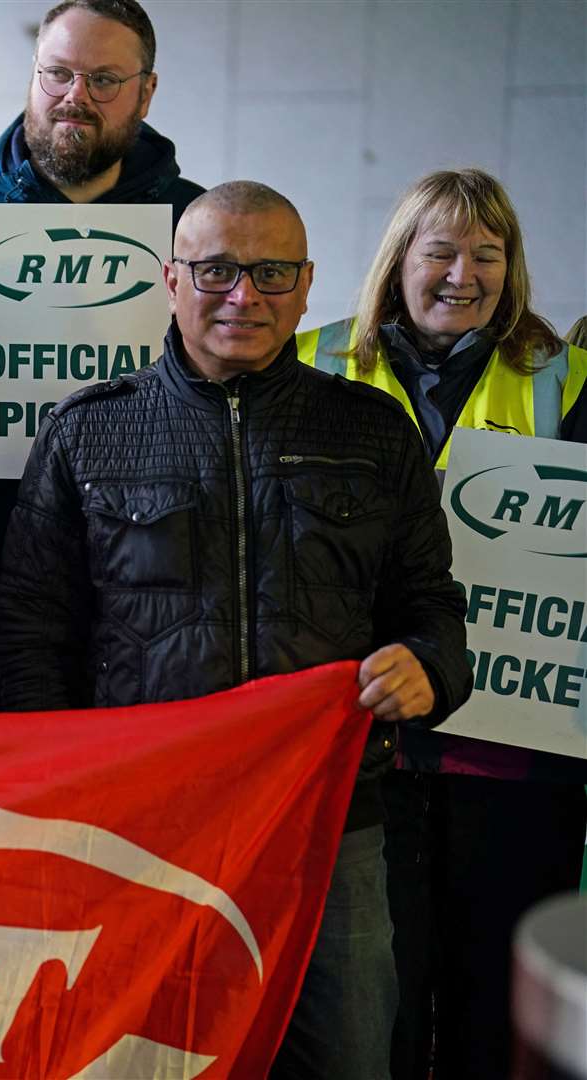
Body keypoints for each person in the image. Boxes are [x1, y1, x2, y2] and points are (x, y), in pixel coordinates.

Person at [0, 181, 472, 1080]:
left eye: (270, 272)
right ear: (171, 280)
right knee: (142, 1062)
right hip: (142, 833)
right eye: (216, 270)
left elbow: (433, 607)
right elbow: (31, 633)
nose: (243, 296)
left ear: (305, 285)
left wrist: (430, 668)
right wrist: (66, 802)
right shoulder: (88, 433)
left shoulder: (371, 434)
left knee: (351, 1058)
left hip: (332, 830)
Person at [295, 168, 587, 1080]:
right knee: (367, 1013)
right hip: (357, 755)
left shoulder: (567, 376)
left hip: (514, 763)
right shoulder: (307, 358)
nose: (464, 273)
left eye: (487, 254)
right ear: (400, 260)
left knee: (489, 1020)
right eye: (441, 251)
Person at [0, 0, 203, 713]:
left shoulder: (198, 227)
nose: (74, 98)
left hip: (162, 607)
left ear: (147, 91)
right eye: (57, 74)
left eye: (103, 80)